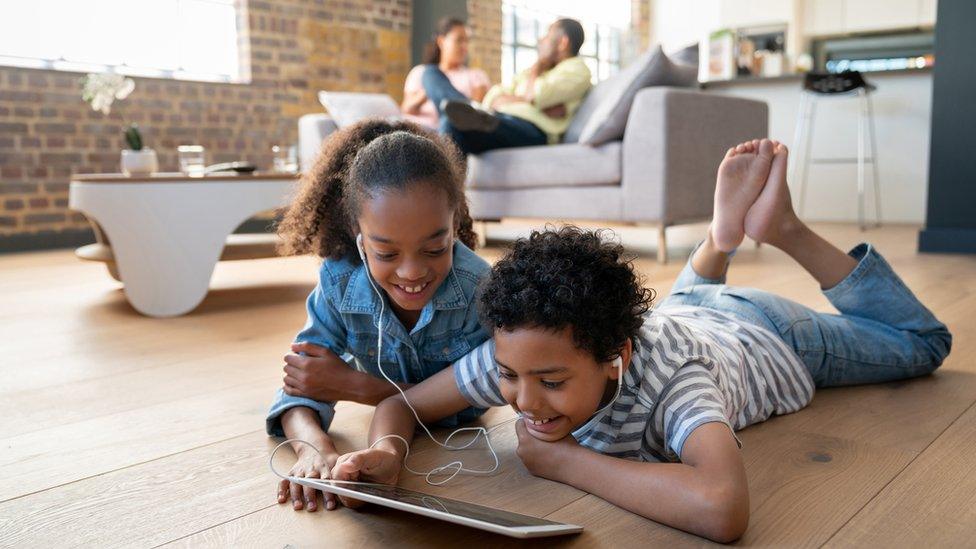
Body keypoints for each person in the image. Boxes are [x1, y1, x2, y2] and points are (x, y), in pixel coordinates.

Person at [326, 139, 951, 542]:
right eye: (511, 377)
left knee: (923, 343)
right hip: (680, 314)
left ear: (614, 359)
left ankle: (780, 227)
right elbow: (402, 405)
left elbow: (723, 507)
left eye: (550, 383)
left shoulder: (676, 387)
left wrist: (567, 461)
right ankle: (719, 240)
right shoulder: (526, 353)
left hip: (763, 333)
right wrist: (386, 453)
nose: (522, 401)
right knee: (676, 310)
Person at [266, 119, 492, 513]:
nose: (411, 273)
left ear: (455, 223)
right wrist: (315, 447)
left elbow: (469, 404)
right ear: (359, 235)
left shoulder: (479, 288)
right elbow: (298, 387)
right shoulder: (338, 283)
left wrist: (354, 386)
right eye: (386, 254)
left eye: (436, 248)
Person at [421, 18, 592, 154]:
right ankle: (463, 109)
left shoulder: (577, 69)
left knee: (453, 120)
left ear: (563, 42)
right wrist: (526, 100)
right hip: (497, 120)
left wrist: (537, 70)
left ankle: (464, 110)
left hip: (532, 131)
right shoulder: (535, 73)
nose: (541, 39)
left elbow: (537, 95)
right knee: (432, 80)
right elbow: (495, 94)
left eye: (548, 35)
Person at [401, 17, 490, 129]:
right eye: (459, 40)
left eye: (467, 41)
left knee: (451, 122)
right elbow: (406, 109)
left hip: (446, 130)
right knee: (430, 73)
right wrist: (432, 89)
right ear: (441, 41)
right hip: (416, 128)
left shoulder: (476, 76)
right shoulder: (420, 72)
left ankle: (458, 109)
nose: (465, 47)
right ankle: (457, 107)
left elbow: (477, 112)